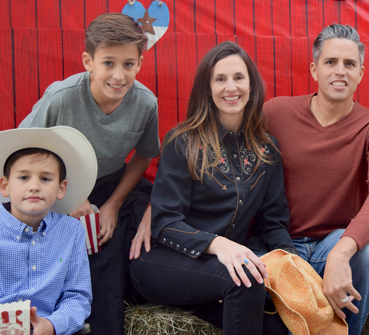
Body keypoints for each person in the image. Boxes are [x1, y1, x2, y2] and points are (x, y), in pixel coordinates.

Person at [129, 41, 296, 335]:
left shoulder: (267, 150)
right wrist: (221, 245)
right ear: (207, 88)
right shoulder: (182, 142)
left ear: (252, 85)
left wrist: (295, 267)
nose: (231, 87)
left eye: (238, 77)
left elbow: (273, 223)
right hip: (161, 264)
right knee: (245, 278)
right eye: (220, 79)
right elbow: (165, 222)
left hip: (219, 271)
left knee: (280, 327)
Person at [18, 13, 160, 334]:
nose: (119, 75)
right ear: (88, 61)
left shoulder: (145, 103)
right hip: (57, 185)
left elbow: (145, 155)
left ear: (140, 63)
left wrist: (112, 204)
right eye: (108, 63)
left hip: (111, 186)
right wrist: (68, 196)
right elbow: (23, 150)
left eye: (129, 64)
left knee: (109, 249)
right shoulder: (61, 97)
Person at [263, 23, 369, 335]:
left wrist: (342, 250)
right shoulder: (275, 112)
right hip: (280, 243)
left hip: (332, 243)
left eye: (349, 64)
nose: (340, 71)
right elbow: (225, 154)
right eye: (331, 62)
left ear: (362, 73)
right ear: (314, 69)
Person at [0, 126, 97, 335]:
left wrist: (53, 325)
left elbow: (77, 296)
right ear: (5, 186)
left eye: (45, 179)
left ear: (61, 188)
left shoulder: (71, 231)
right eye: (24, 177)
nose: (34, 186)